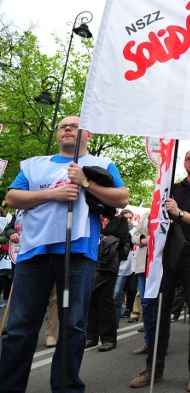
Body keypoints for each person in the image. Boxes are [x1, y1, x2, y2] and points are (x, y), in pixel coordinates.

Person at [0, 116, 129, 392]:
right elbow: (12, 198)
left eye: (74, 126)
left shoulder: (102, 165)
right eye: (63, 126)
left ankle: (66, 387)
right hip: (34, 253)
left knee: (73, 328)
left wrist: (85, 182)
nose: (67, 129)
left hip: (78, 254)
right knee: (20, 327)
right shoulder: (34, 164)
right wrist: (54, 194)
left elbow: (121, 198)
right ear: (58, 134)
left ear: (88, 135)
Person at [129, 146, 190, 392]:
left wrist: (179, 212)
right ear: (184, 163)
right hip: (167, 255)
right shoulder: (172, 189)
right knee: (160, 314)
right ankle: (154, 369)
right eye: (188, 158)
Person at [86, 212, 131, 352]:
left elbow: (123, 240)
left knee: (105, 300)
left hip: (109, 264)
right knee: (91, 299)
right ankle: (91, 336)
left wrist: (105, 241)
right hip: (92, 260)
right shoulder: (92, 217)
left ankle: (109, 338)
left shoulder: (120, 220)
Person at [130, 211, 153, 355]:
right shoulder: (147, 214)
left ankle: (161, 342)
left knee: (160, 305)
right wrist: (143, 240)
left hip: (160, 265)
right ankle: (148, 342)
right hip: (143, 264)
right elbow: (134, 235)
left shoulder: (170, 213)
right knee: (145, 302)